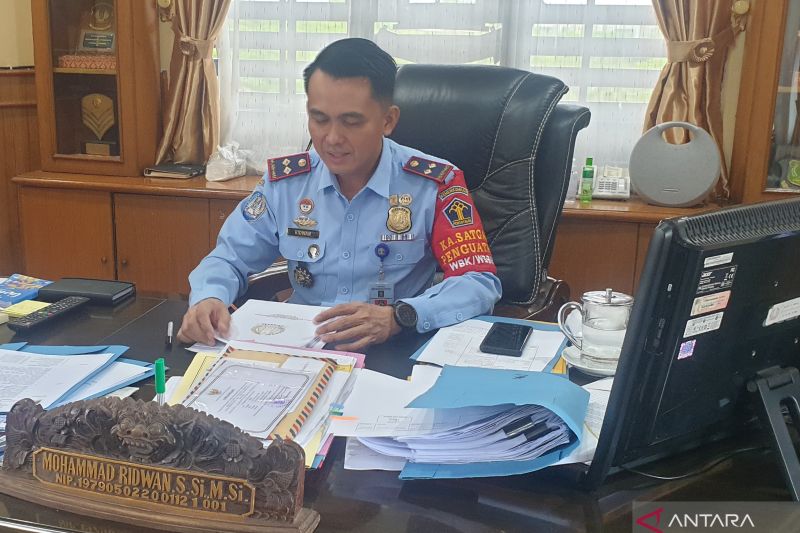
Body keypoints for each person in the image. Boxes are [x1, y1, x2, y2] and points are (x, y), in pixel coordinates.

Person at [179, 38, 502, 351]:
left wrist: (400, 316)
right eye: (319, 119)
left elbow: (477, 281)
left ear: (388, 120)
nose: (332, 138)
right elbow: (229, 258)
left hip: (394, 350)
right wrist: (209, 297)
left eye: (351, 122)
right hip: (301, 348)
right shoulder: (287, 184)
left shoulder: (435, 183)